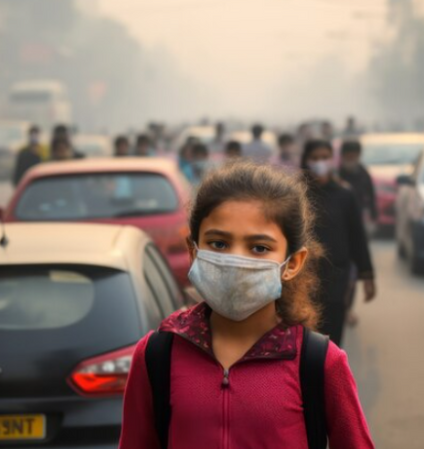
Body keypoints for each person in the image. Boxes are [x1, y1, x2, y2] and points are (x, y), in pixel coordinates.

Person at [119, 162, 375, 449]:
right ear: (194, 251)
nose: (237, 260)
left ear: (292, 264)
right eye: (218, 244)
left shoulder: (318, 363)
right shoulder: (157, 355)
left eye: (259, 248)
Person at [302, 140, 376, 346]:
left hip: (336, 276)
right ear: (306, 160)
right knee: (303, 340)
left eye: (324, 157)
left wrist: (367, 274)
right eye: (315, 158)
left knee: (331, 338)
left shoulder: (345, 194)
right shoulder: (295, 194)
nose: (320, 163)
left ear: (332, 160)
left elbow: (357, 237)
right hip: (302, 276)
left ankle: (329, 376)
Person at [339, 140, 378, 224]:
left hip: (359, 215)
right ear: (343, 156)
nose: (351, 160)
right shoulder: (336, 175)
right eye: (348, 157)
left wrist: (373, 214)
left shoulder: (363, 174)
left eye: (353, 157)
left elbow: (371, 194)